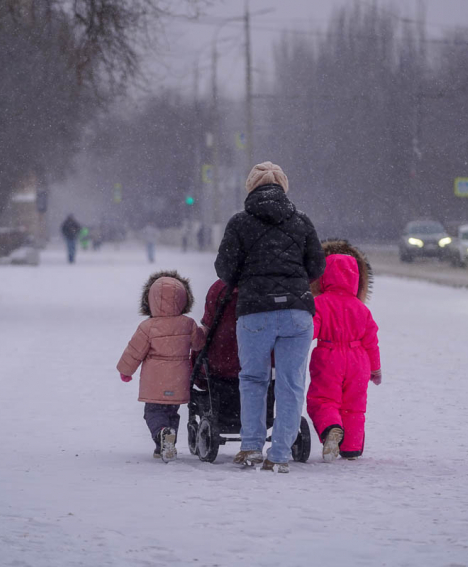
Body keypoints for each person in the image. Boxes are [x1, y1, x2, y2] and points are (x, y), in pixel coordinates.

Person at [214, 161, 325, 473]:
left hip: (255, 312)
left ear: (251, 188)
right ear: (283, 188)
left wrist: (248, 279)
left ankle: (250, 447)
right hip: (297, 313)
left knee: (253, 379)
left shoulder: (239, 223)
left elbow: (225, 270)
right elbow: (317, 265)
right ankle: (280, 454)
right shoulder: (302, 222)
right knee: (291, 384)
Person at [117, 271, 206, 462]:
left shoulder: (147, 327)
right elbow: (199, 344)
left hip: (155, 381)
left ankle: (162, 435)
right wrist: (203, 331)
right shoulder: (188, 324)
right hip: (178, 379)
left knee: (153, 412)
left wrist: (126, 371)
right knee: (171, 411)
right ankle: (167, 443)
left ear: (150, 300)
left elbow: (134, 351)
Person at [307, 244, 381, 462]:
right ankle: (351, 448)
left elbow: (310, 331)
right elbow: (371, 340)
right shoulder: (361, 308)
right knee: (354, 406)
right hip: (359, 359)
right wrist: (375, 368)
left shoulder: (319, 303)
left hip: (329, 356)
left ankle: (331, 428)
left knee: (323, 399)